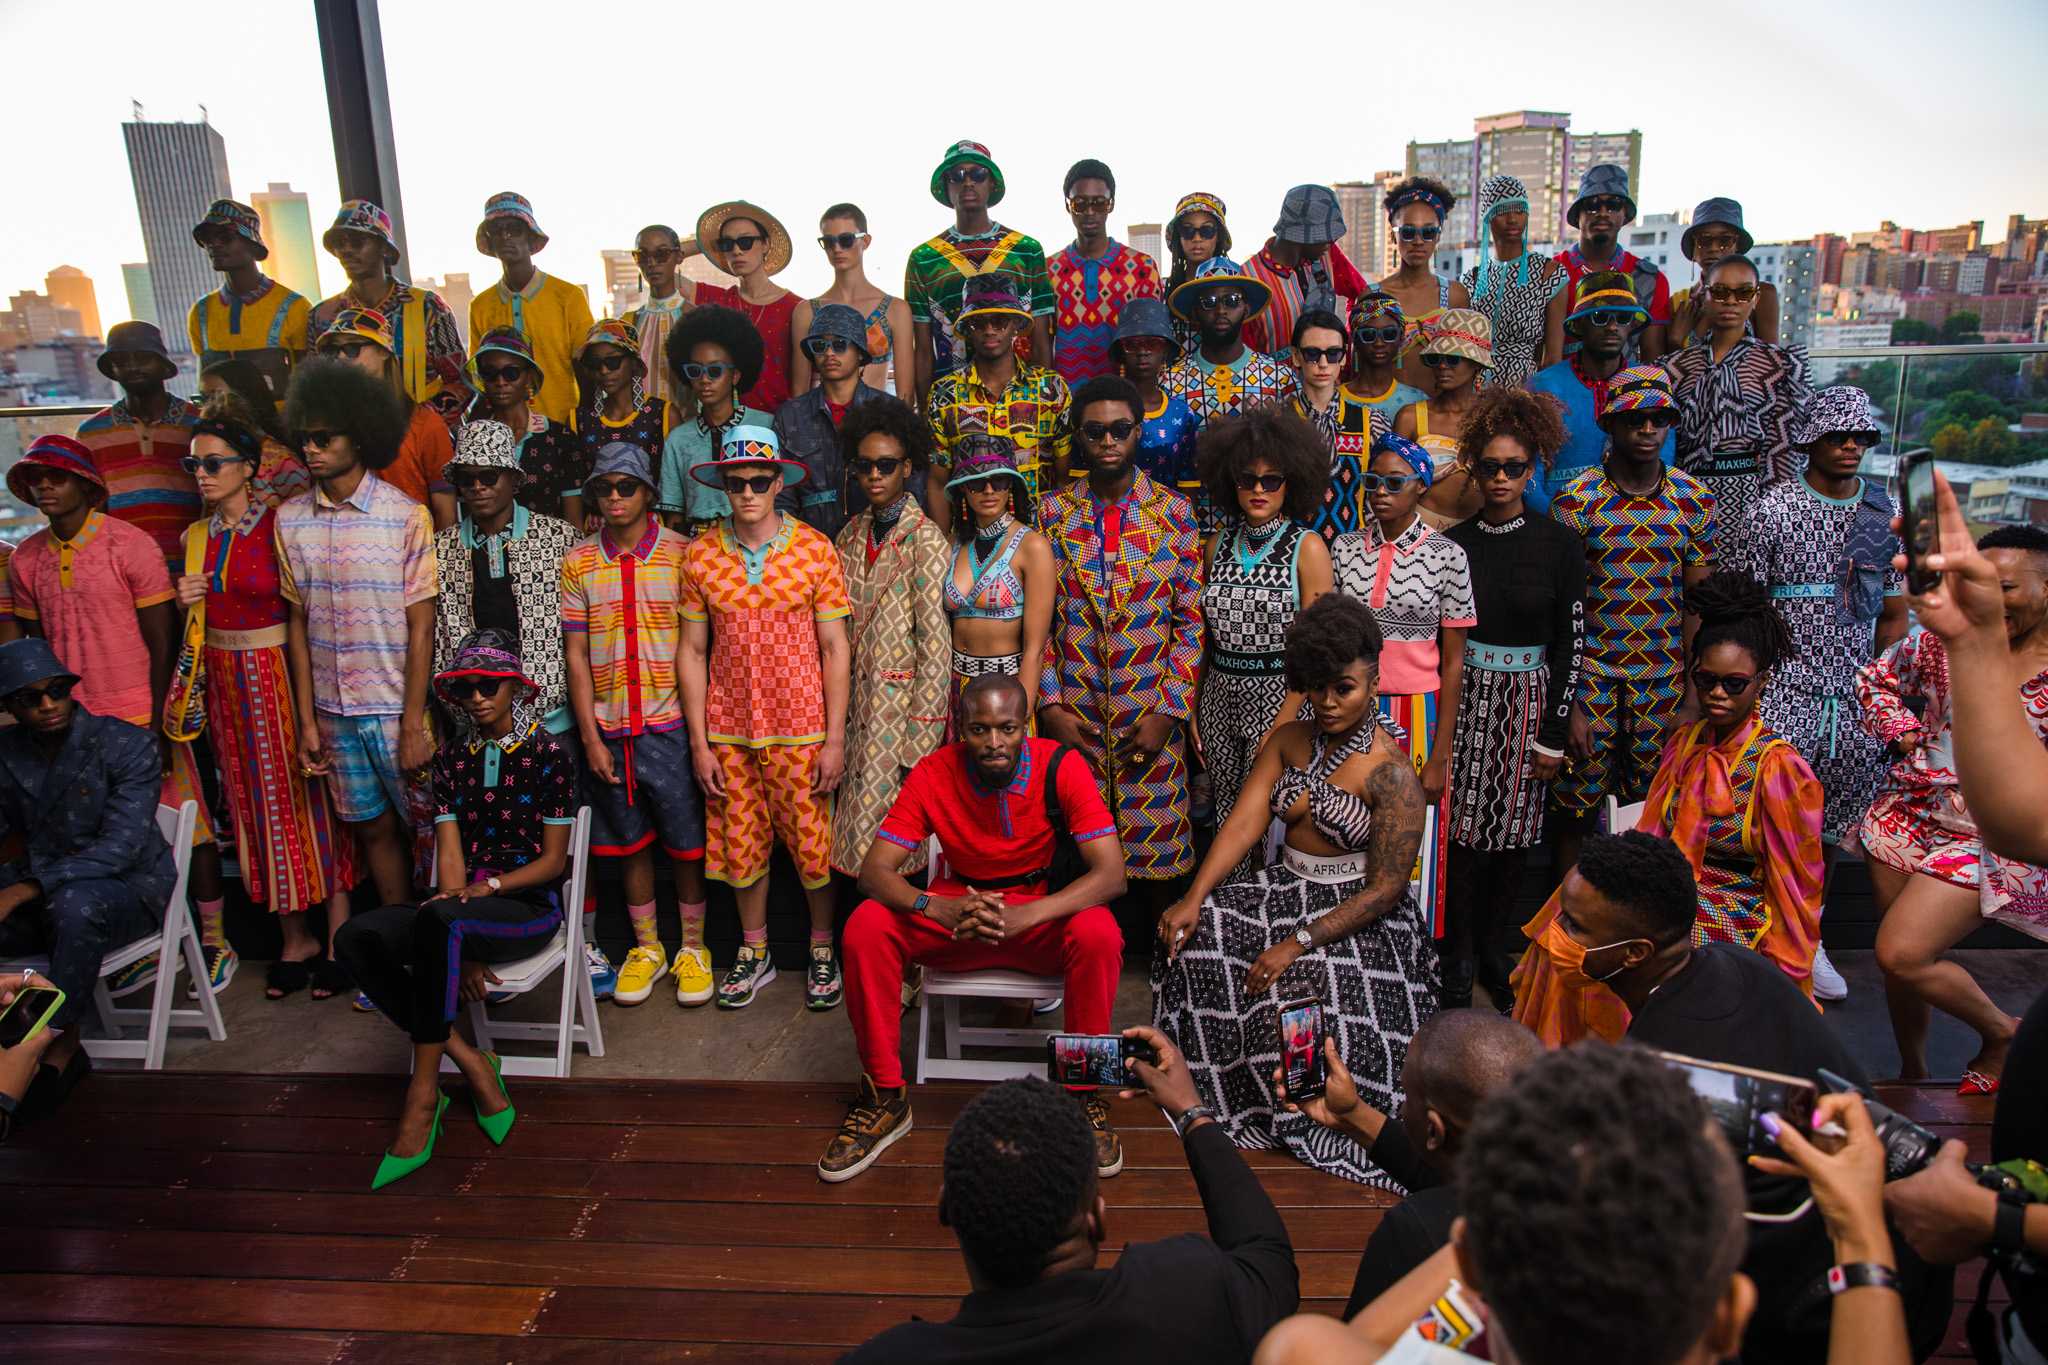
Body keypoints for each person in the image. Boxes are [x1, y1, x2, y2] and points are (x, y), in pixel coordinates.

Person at [1501, 831, 1942, 1365]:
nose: (1556, 934)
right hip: (1905, 1268)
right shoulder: (1739, 964)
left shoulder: (1654, 1078)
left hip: (1824, 1321)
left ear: (1635, 952)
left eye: (1574, 925)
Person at [1154, 593, 1436, 1185]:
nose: (1328, 703)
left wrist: (1298, 942)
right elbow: (1243, 824)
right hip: (1282, 888)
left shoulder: (1392, 772)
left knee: (1299, 997)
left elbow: (1385, 892)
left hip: (1356, 916)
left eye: (1345, 688)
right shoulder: (1290, 740)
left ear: (1373, 678)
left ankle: (1312, 1120)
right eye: (1316, 687)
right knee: (1195, 940)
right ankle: (1206, 1096)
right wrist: (1195, 896)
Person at [1252, 1045, 1765, 1365]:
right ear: (1731, 1317)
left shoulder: (1298, 1350)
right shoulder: (1724, 1319)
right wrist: (1851, 1237)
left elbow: (1316, 1345)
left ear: (1471, 1262)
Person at [821, 674, 1129, 1182]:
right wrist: (934, 907)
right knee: (867, 926)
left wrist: (1031, 912)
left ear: (1025, 726)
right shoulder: (933, 771)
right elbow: (874, 873)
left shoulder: (1061, 765)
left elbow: (1111, 874)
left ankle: (1082, 1095)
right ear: (960, 727)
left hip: (1036, 914)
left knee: (1099, 932)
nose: (993, 743)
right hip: (957, 913)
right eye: (979, 730)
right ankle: (884, 1096)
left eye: (1007, 729)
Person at [837, 1029, 1300, 1364]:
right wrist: (1191, 1112)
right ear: (1097, 1219)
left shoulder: (890, 1356)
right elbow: (1269, 1260)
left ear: (947, 1210)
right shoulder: (1189, 1292)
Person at [1515, 576, 1825, 1044]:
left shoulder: (1779, 768)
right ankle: (1560, 1065)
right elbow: (1653, 833)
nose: (1718, 694)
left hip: (1740, 911)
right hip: (1670, 888)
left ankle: (1631, 1065)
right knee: (1566, 927)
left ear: (1760, 682)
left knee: (1619, 947)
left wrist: (1787, 976)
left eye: (1734, 684)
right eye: (1706, 680)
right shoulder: (1685, 742)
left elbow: (1796, 886)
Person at [331, 632, 574, 1189]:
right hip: (459, 912)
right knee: (354, 939)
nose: (477, 696)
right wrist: (458, 933)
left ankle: (421, 1096)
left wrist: (482, 897)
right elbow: (450, 857)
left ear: (514, 686)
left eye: (488, 685)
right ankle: (468, 1059)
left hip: (526, 909)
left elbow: (553, 864)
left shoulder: (547, 754)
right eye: (465, 688)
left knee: (442, 919)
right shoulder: (450, 761)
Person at [6, 434, 227, 991]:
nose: (45, 488)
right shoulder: (28, 558)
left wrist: (156, 720)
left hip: (134, 710)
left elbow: (163, 639)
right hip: (70, 720)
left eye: (55, 477)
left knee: (185, 822)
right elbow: (34, 650)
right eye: (36, 480)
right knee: (91, 830)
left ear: (87, 485)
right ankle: (140, 943)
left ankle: (213, 938)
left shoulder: (130, 546)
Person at [174, 393, 357, 1000]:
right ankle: (293, 937)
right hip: (226, 683)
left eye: (214, 463)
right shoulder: (196, 537)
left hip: (281, 672)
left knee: (311, 800)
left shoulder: (284, 522)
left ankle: (338, 936)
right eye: (194, 466)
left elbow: (307, 615)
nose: (202, 475)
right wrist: (188, 602)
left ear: (249, 466)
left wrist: (309, 705)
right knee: (253, 809)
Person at [1857, 523, 2048, 1091]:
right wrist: (1904, 731)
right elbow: (1875, 678)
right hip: (1908, 812)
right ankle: (1912, 1072)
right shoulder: (1946, 641)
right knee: (1898, 965)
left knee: (1901, 952)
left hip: (1989, 833)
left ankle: (2002, 1034)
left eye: (2006, 587)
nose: (1984, 598)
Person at [1739, 386, 1908, 1002]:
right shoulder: (1774, 511)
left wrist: (1881, 684)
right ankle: (1763, 935)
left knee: (1833, 831)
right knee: (1771, 820)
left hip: (1854, 698)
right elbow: (1750, 607)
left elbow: (1893, 614)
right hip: (1786, 688)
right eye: (1839, 435)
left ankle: (1810, 939)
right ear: (1811, 440)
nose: (1851, 447)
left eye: (1861, 437)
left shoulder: (1881, 513)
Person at [276, 357, 438, 997]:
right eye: (305, 438)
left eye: (325, 438)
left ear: (360, 435)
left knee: (428, 834)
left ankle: (438, 954)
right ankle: (396, 958)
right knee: (372, 832)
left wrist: (414, 721)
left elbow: (423, 627)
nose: (311, 450)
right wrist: (307, 721)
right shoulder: (289, 521)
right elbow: (295, 624)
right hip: (333, 712)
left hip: (395, 706)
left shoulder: (404, 515)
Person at [680, 426, 852, 1009]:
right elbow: (693, 651)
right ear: (723, 486)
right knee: (739, 846)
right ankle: (756, 951)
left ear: (778, 482)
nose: (748, 492)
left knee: (813, 848)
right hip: (727, 729)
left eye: (758, 481)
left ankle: (822, 949)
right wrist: (699, 744)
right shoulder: (702, 553)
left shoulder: (814, 550)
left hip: (802, 727)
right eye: (737, 483)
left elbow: (835, 648)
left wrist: (835, 739)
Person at [1440, 390, 1585, 1011]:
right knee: (1463, 841)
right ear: (1472, 466)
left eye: (1514, 468)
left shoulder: (1560, 544)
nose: (1500, 479)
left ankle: (1499, 956)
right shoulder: (1457, 543)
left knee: (1516, 841)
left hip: (1528, 704)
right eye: (1490, 467)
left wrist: (1554, 731)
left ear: (1534, 469)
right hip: (1467, 699)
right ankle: (1459, 955)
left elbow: (1570, 643)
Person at [1038, 377, 1205, 895]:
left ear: (1138, 432)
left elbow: (1191, 621)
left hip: (1148, 714)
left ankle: (1161, 966)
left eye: (1120, 430)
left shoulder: (1174, 512)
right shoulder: (1051, 513)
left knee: (1160, 867)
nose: (1108, 441)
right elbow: (1038, 623)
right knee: (1078, 855)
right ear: (1079, 437)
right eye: (1095, 431)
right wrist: (1049, 707)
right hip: (1077, 714)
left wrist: (1169, 711)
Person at [1547, 366, 1716, 879]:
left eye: (1659, 419)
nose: (1647, 430)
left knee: (1653, 813)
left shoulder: (1694, 500)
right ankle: (1566, 934)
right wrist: (1568, 702)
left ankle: (1641, 929)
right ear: (1610, 425)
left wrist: (1691, 697)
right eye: (1635, 420)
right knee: (1573, 815)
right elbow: (1560, 609)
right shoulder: (1577, 500)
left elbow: (1699, 604)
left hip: (1663, 683)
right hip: (1592, 678)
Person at [1269, 1008, 1544, 1318]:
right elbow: (1447, 1178)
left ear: (1433, 1130)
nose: (1402, 1106)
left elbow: (1360, 1347)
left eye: (1407, 1096)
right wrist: (1350, 1114)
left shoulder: (1417, 1231)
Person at [0, 639, 177, 1118]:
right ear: (9, 707)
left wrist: (24, 888)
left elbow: (120, 848)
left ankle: (46, 1043)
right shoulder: (7, 752)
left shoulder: (125, 743)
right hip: (45, 886)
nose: (47, 704)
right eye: (30, 698)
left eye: (57, 690)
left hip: (127, 888)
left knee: (75, 906)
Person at [560, 445, 709, 1008]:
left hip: (669, 724)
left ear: (649, 492)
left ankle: (694, 947)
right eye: (605, 489)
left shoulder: (683, 555)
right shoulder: (578, 563)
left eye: (627, 487)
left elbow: (700, 648)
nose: (616, 498)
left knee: (687, 842)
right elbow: (576, 655)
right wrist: (590, 736)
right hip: (609, 727)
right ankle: (647, 948)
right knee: (628, 844)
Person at [1331, 432, 1476, 927]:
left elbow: (1454, 663)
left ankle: (1409, 952)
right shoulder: (1344, 549)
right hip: (1351, 712)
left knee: (1411, 840)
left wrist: (1440, 754)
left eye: (1395, 482)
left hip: (1415, 711)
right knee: (1347, 828)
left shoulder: (1448, 557)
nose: (1380, 492)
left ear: (1420, 487)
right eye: (1374, 481)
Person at [829, 398, 951, 879]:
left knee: (892, 847)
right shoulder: (849, 535)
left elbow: (937, 652)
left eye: (886, 465)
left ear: (907, 468)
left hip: (899, 722)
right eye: (864, 466)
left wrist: (918, 746)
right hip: (855, 712)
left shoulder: (926, 540)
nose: (874, 476)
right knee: (848, 840)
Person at [1194, 406, 1334, 829]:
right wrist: (1196, 705)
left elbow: (1316, 649)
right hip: (1219, 694)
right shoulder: (1216, 544)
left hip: (1279, 694)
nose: (1259, 488)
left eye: (1271, 479)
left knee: (1273, 814)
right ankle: (1227, 895)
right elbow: (1205, 636)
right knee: (1225, 811)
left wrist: (1285, 718)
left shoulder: (1306, 547)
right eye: (1247, 479)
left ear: (1290, 483)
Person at [1905, 469, 2048, 864]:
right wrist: (1969, 639)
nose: (1997, 601)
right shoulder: (1942, 645)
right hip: (1920, 815)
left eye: (2007, 588)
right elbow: (2030, 830)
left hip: (1983, 853)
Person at [1663, 254, 1814, 569]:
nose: (1731, 301)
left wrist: (1778, 512)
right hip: (1686, 493)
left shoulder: (1781, 365)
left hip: (1752, 494)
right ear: (1705, 294)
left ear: (1756, 298)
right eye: (1720, 292)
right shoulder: (1677, 366)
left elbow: (1786, 450)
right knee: (1689, 590)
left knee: (1741, 593)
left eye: (1743, 292)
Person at [905, 140, 1054, 405]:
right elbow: (923, 349)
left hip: (1019, 402)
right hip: (951, 404)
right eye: (957, 176)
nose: (968, 182)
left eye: (978, 174)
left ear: (992, 183)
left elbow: (1041, 339)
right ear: (946, 186)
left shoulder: (1026, 250)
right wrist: (926, 414)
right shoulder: (924, 259)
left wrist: (1043, 403)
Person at [1162, 256, 1302, 530]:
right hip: (1188, 531)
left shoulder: (1279, 379)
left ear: (1247, 307)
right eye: (1209, 302)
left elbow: (1293, 461)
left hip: (1260, 535)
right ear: (1194, 313)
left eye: (1232, 301)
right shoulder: (1169, 382)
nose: (1221, 310)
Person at [923, 274, 1073, 528]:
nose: (990, 329)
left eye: (1000, 321)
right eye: (979, 323)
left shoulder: (1051, 389)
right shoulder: (944, 395)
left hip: (1040, 536)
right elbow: (938, 482)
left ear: (1015, 324)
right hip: (971, 542)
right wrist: (946, 545)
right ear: (968, 329)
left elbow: (1063, 479)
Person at [939, 435, 1055, 723]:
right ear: (963, 490)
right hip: (955, 688)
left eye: (999, 481)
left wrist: (1020, 712)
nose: (988, 490)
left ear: (1011, 487)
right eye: (977, 482)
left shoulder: (1032, 547)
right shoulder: (951, 543)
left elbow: (1035, 647)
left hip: (1007, 689)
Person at [74, 321, 202, 573]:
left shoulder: (199, 423)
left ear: (163, 366)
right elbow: (92, 509)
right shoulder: (91, 433)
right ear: (112, 369)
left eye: (143, 358)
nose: (133, 367)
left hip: (194, 564)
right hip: (125, 568)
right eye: (122, 360)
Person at [1526, 270, 1673, 490]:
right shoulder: (1543, 386)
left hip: (1630, 515)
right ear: (1580, 325)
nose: (1612, 327)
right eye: (1600, 317)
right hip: (1556, 514)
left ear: (1632, 325)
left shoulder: (1651, 383)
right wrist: (1551, 518)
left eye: (1623, 318)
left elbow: (1664, 460)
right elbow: (1528, 469)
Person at [308, 198, 466, 404]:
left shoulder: (428, 308)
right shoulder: (321, 316)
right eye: (339, 243)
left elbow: (461, 381)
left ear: (384, 248)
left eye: (357, 241)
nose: (346, 250)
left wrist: (423, 425)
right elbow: (315, 389)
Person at [314, 306, 458, 530]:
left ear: (383, 351)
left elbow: (445, 512)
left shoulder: (425, 424)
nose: (340, 357)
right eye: (332, 351)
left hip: (413, 552)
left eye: (352, 348)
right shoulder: (323, 427)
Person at [467, 192, 594, 426]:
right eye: (497, 230)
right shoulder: (481, 306)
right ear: (490, 240)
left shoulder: (568, 296)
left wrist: (583, 425)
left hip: (562, 424)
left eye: (514, 229)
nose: (505, 237)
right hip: (504, 432)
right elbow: (479, 375)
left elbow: (587, 368)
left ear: (529, 236)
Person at [658, 305, 773, 534]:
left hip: (754, 541)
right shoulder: (678, 440)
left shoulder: (766, 427)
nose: (704, 380)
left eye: (715, 371)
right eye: (695, 371)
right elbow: (673, 517)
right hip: (696, 549)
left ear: (736, 375)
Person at [775, 303, 886, 540]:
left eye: (839, 344)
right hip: (806, 547)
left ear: (859, 353)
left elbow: (910, 489)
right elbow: (781, 494)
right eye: (820, 346)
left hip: (877, 544)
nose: (829, 353)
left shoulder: (888, 412)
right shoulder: (790, 415)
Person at [1047, 159, 1161, 385]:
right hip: (1066, 402)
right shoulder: (1048, 270)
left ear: (1111, 204)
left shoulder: (1142, 268)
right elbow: (1040, 343)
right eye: (1080, 203)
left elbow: (1152, 341)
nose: (1090, 212)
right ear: (1068, 205)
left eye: (1099, 203)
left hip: (1125, 400)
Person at [186, 198, 311, 403]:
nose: (214, 245)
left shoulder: (294, 307)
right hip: (223, 428)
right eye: (208, 239)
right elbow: (204, 381)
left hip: (280, 428)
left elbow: (306, 384)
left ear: (252, 244)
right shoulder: (201, 312)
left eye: (225, 237)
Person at [1550, 164, 1670, 364]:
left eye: (1613, 205)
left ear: (1625, 215)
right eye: (1592, 205)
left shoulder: (1650, 279)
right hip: (1562, 390)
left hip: (1628, 390)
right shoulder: (1552, 272)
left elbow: (1652, 357)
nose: (1603, 213)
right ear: (1577, 215)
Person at [1456, 175, 1565, 393]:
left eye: (1519, 210)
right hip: (1477, 390)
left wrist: (1540, 401)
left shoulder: (1549, 272)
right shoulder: (1471, 279)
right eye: (1503, 211)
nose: (1513, 219)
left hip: (1527, 390)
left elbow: (1553, 356)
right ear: (1488, 218)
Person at [465, 328, 584, 527]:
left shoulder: (560, 438)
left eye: (511, 373)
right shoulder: (472, 438)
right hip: (489, 554)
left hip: (551, 552)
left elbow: (574, 522)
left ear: (529, 377)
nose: (500, 382)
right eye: (490, 373)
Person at [790, 203, 911, 397]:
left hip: (877, 421)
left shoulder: (896, 310)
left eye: (846, 240)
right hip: (821, 422)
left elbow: (905, 395)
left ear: (866, 241)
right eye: (829, 242)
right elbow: (799, 392)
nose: (837, 248)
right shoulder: (806, 312)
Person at [689, 200, 799, 414]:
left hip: (777, 428)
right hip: (724, 428)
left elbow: (801, 388)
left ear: (766, 244)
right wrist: (705, 243)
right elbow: (662, 272)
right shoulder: (717, 300)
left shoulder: (796, 308)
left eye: (746, 242)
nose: (737, 251)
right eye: (727, 244)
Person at [1289, 307, 1386, 543]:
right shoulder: (1278, 421)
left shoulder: (1371, 423)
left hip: (1355, 556)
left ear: (1344, 357)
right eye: (1312, 353)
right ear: (1296, 357)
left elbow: (1378, 496)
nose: (1323, 363)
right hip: (1292, 554)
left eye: (1333, 353)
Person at [1392, 309, 1493, 528]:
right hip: (1421, 534)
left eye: (1453, 358)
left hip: (1481, 534)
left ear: (1476, 364)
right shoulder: (1411, 417)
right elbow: (1393, 483)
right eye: (1436, 358)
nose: (1442, 365)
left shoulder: (1494, 417)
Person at [570, 318, 675, 527]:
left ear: (634, 363)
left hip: (653, 535)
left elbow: (673, 488)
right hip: (596, 537)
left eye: (612, 362)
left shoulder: (663, 414)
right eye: (594, 364)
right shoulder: (579, 419)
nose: (604, 371)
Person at [1244, 185, 1369, 358]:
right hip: (1275, 383)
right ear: (1302, 237)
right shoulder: (1249, 279)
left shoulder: (1328, 254)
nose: (1332, 241)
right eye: (1325, 236)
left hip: (1327, 379)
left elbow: (1364, 294)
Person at [1112, 298, 1201, 500]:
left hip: (1166, 523)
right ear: (1120, 352)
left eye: (1153, 343)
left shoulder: (1181, 413)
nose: (1143, 352)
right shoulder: (1104, 410)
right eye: (1132, 344)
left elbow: (1188, 484)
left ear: (1166, 351)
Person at [196, 356, 312, 508]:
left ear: (244, 396)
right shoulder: (204, 455)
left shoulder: (278, 457)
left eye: (215, 396)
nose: (207, 406)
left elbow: (300, 517)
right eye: (201, 398)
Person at [1670, 198, 1780, 347]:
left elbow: (1773, 358)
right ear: (1694, 249)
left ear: (1738, 247)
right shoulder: (1680, 302)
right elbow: (1666, 365)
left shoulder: (1760, 294)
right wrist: (1675, 341)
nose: (1714, 248)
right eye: (1704, 240)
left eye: (1725, 240)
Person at [621, 223, 694, 412]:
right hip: (639, 431)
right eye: (642, 255)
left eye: (661, 254)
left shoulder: (695, 317)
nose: (651, 263)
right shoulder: (628, 322)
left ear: (679, 256)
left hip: (686, 431)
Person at [1345, 292, 1427, 433]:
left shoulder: (1419, 402)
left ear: (1401, 337)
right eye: (1368, 335)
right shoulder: (1333, 400)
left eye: (1389, 334)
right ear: (1355, 339)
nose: (1379, 343)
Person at [1163, 191, 1232, 356]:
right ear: (1178, 237)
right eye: (1187, 231)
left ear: (1218, 237)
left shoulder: (1235, 287)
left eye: (1207, 230)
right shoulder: (1162, 289)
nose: (1197, 238)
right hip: (1173, 378)